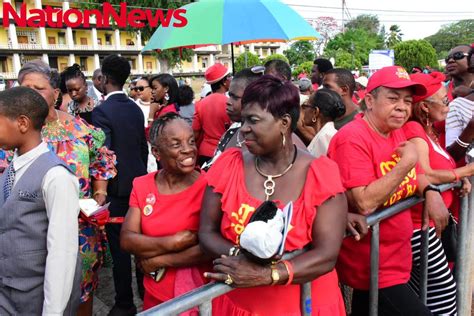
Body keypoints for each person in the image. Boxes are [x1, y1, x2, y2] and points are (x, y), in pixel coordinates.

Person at [199, 75, 348, 315]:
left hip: (305, 306)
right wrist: (240, 257)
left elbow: (327, 254)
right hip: (240, 304)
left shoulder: (321, 174)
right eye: (243, 119)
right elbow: (206, 232)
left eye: (253, 120)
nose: (244, 128)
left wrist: (268, 274)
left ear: (284, 122)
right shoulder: (228, 166)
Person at [328, 66, 449, 316]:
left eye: (407, 101)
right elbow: (364, 202)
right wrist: (406, 163)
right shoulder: (352, 138)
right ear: (369, 100)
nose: (402, 107)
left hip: (395, 258)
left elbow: (415, 178)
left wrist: (430, 191)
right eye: (393, 98)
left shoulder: (394, 132)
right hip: (373, 267)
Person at [17, 60, 117, 316]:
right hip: (33, 232)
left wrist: (99, 195)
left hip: (80, 230)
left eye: (37, 88)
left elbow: (101, 161)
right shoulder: (15, 131)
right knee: (40, 296)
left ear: (55, 93)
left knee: (81, 292)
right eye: (23, 88)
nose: (29, 94)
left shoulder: (80, 128)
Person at [0, 87, 81, 315]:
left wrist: (52, 312)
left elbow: (62, 254)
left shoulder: (56, 176)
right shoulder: (11, 170)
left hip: (37, 298)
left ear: (22, 124)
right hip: (7, 295)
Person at [121, 113, 209, 311]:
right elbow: (127, 239)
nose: (188, 150)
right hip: (155, 294)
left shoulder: (209, 186)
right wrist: (173, 242)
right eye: (176, 144)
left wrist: (160, 260)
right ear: (156, 152)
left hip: (199, 298)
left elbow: (209, 248)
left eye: (191, 141)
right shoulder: (142, 185)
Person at [403, 71, 471, 315]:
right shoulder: (413, 130)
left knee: (428, 293)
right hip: (417, 228)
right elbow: (426, 173)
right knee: (443, 294)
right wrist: (465, 171)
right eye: (444, 100)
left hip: (428, 226)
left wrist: (457, 177)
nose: (449, 104)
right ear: (424, 107)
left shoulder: (429, 131)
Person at [92, 54, 148, 316]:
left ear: (104, 78)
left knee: (121, 249)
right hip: (140, 185)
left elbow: (104, 155)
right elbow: (142, 148)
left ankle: (125, 302)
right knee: (142, 243)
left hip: (116, 190)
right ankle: (146, 295)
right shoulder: (136, 108)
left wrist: (101, 189)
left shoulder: (102, 111)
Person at [201, 68, 262, 171]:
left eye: (235, 97)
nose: (228, 102)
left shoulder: (264, 140)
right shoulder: (233, 129)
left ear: (254, 99)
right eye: (229, 96)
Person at [193, 63, 232, 166]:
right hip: (225, 152)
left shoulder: (200, 104)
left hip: (205, 152)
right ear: (223, 82)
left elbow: (195, 132)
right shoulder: (230, 103)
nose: (230, 79)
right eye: (228, 77)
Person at [302, 88, 345, 157]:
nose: (304, 110)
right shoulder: (327, 134)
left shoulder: (324, 138)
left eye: (306, 106)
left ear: (315, 112)